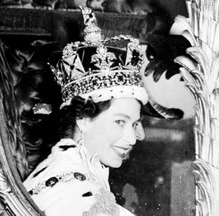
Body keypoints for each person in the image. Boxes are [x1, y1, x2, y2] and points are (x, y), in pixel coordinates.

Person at [23, 6, 149, 216]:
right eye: (120, 121)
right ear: (83, 118)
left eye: (134, 124)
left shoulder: (76, 171)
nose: (132, 138)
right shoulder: (74, 191)